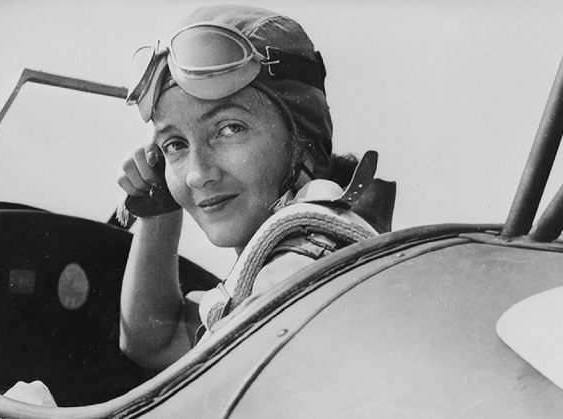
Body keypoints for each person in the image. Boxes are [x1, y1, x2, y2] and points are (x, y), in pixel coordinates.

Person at [117, 4, 394, 371]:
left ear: (302, 138)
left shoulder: (299, 274)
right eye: (175, 145)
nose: (197, 175)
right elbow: (156, 341)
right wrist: (159, 208)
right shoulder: (294, 264)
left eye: (229, 129)